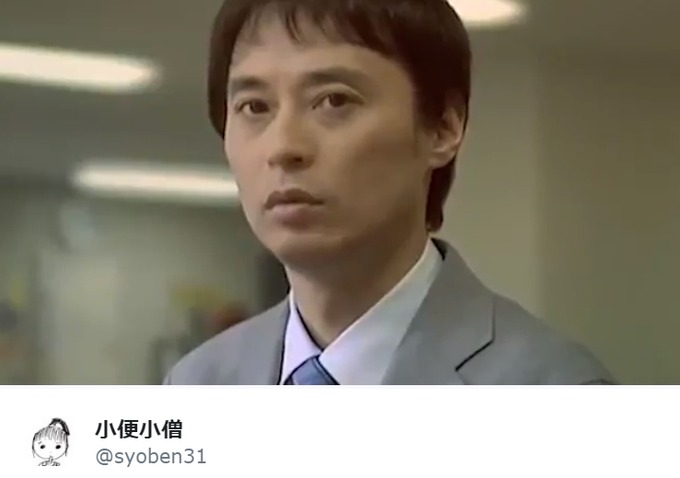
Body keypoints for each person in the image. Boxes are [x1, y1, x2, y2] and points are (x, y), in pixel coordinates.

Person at [164, 0, 613, 385]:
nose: (283, 147)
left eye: (334, 100)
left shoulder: (556, 389)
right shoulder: (196, 383)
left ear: (443, 127)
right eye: (254, 107)